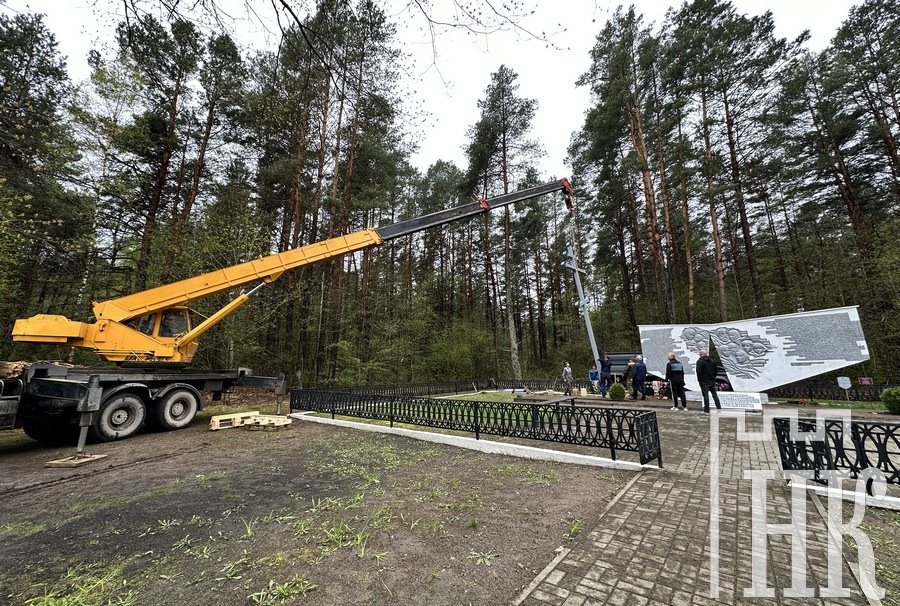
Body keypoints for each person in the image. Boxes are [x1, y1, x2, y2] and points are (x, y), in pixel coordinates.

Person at [696, 349, 721, 413]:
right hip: (712, 380)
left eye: (699, 354)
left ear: (701, 355)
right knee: (714, 394)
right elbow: (716, 370)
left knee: (705, 395)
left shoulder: (700, 361)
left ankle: (706, 410)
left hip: (704, 381)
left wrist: (699, 380)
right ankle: (719, 408)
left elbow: (699, 372)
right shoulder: (712, 361)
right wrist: (713, 377)